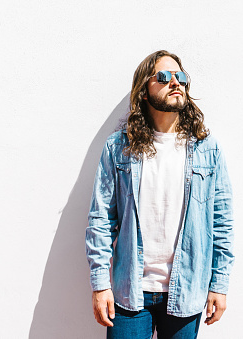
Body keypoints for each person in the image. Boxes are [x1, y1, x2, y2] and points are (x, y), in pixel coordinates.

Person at [85, 50, 234, 339]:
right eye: (164, 77)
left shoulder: (207, 149)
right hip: (130, 293)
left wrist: (220, 284)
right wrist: (101, 284)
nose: (175, 83)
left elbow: (222, 223)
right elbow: (101, 218)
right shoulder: (119, 148)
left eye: (181, 77)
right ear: (143, 90)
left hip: (186, 292)